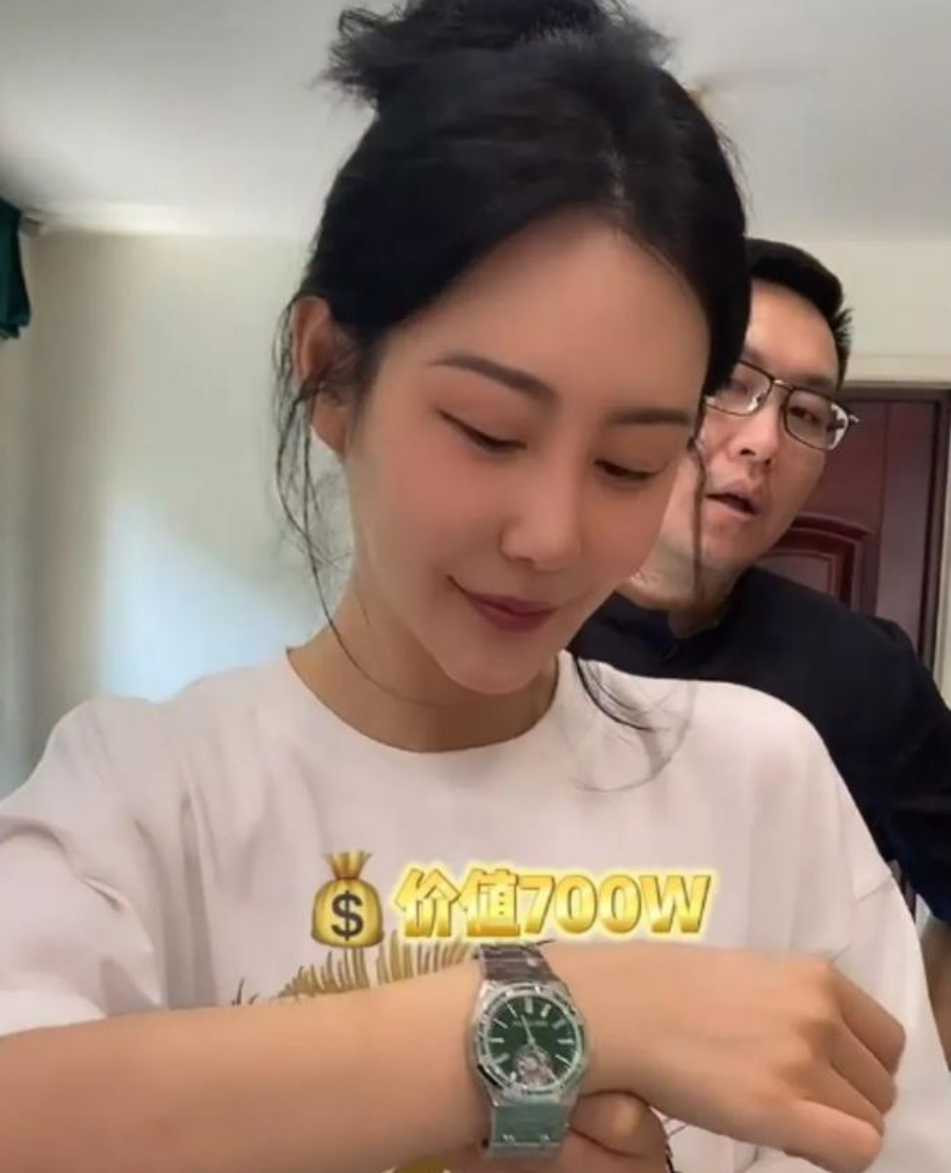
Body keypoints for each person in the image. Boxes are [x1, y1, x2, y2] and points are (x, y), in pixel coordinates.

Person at [0, 4, 948, 1173]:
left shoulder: (767, 781)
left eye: (629, 463)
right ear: (330, 372)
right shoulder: (146, 798)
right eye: (490, 431)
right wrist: (576, 1014)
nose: (552, 536)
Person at [571, 238, 951, 1063]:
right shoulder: (503, 628)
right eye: (728, 382)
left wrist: (912, 1077)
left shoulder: (862, 674)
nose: (762, 441)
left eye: (806, 413)